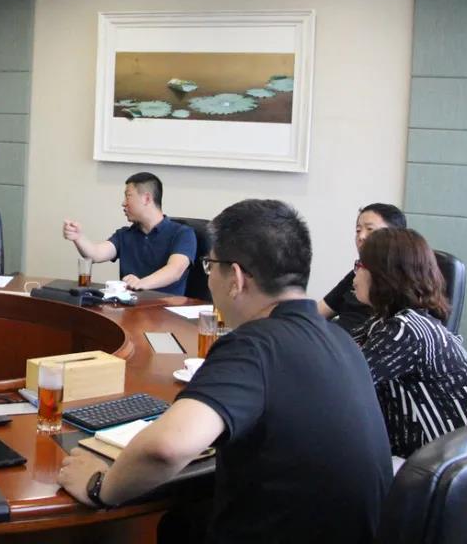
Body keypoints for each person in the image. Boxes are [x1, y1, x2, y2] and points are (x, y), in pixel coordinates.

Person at [58, 199, 392, 544]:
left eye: (209, 266)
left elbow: (167, 447)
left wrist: (99, 486)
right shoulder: (342, 341)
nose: (209, 278)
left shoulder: (254, 344)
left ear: (236, 278)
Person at [352, 227, 467, 458]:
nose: (355, 274)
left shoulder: (407, 331)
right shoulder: (386, 321)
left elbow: (343, 382)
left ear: (383, 275)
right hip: (433, 460)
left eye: (360, 266)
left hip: (444, 466)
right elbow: (342, 351)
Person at [62, 172, 196, 295]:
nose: (123, 203)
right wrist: (78, 237)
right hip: (129, 307)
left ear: (146, 199)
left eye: (128, 196)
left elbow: (175, 270)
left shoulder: (182, 233)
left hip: (165, 309)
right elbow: (96, 254)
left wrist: (141, 283)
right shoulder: (125, 234)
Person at [318, 202, 406, 332]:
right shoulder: (357, 273)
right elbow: (318, 312)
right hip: (333, 338)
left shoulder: (402, 283)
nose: (361, 236)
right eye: (358, 230)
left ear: (394, 235)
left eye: (370, 229)